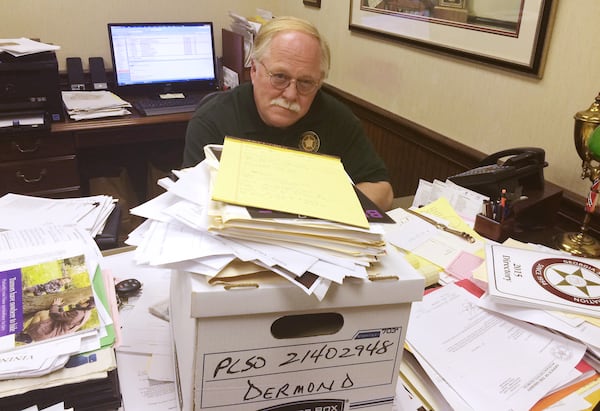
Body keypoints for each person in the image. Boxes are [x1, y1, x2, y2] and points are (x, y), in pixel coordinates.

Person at [183, 16, 394, 211]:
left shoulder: (337, 119)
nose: (291, 94)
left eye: (305, 82)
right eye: (280, 77)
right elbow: (191, 203)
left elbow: (382, 191)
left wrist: (320, 207)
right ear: (254, 71)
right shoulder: (212, 120)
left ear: (319, 82)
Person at [15, 296, 96, 343]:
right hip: (57, 333)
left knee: (41, 314)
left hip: (50, 332)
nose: (81, 299)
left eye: (84, 299)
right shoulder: (87, 313)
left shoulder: (78, 313)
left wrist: (55, 305)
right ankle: (26, 334)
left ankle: (27, 337)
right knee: (45, 315)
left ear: (86, 304)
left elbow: (55, 315)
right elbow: (68, 319)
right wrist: (60, 308)